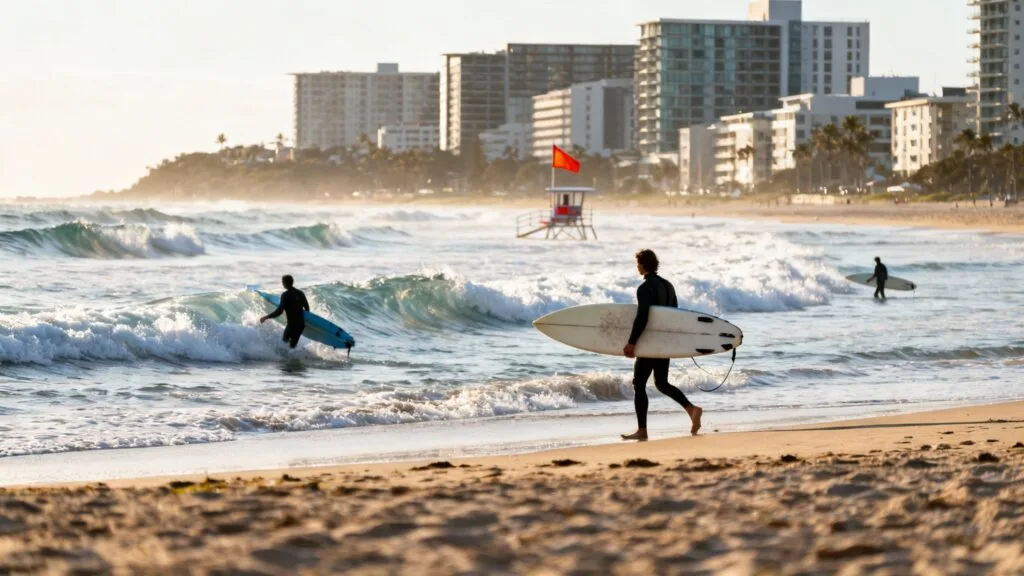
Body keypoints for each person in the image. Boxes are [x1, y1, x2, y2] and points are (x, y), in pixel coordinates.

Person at [621, 249, 703, 441]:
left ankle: (642, 430)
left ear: (642, 265)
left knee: (639, 383)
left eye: (637, 263)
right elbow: (674, 315)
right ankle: (692, 409)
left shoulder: (644, 288)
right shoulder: (668, 285)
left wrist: (632, 342)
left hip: (650, 342)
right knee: (661, 383)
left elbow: (642, 317)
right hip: (664, 341)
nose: (637, 267)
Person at [260, 275, 310, 348]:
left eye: (282, 282)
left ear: (285, 283)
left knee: (284, 343)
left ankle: (287, 358)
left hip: (292, 325)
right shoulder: (300, 293)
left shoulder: (285, 295)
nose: (282, 283)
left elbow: (279, 311)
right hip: (300, 325)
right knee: (292, 346)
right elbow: (307, 309)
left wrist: (266, 317)